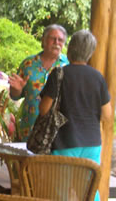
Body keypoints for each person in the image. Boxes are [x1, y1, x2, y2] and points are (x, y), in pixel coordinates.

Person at [39, 30, 111, 201]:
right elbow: (107, 115)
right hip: (92, 143)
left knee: (60, 190)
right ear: (90, 53)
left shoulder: (59, 74)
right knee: (89, 190)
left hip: (64, 141)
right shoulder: (97, 77)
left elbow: (44, 109)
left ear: (70, 48)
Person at [9, 24, 69, 141]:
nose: (56, 42)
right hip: (29, 128)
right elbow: (15, 96)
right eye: (52, 38)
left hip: (56, 132)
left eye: (60, 40)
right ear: (44, 40)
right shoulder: (28, 64)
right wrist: (17, 90)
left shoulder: (68, 66)